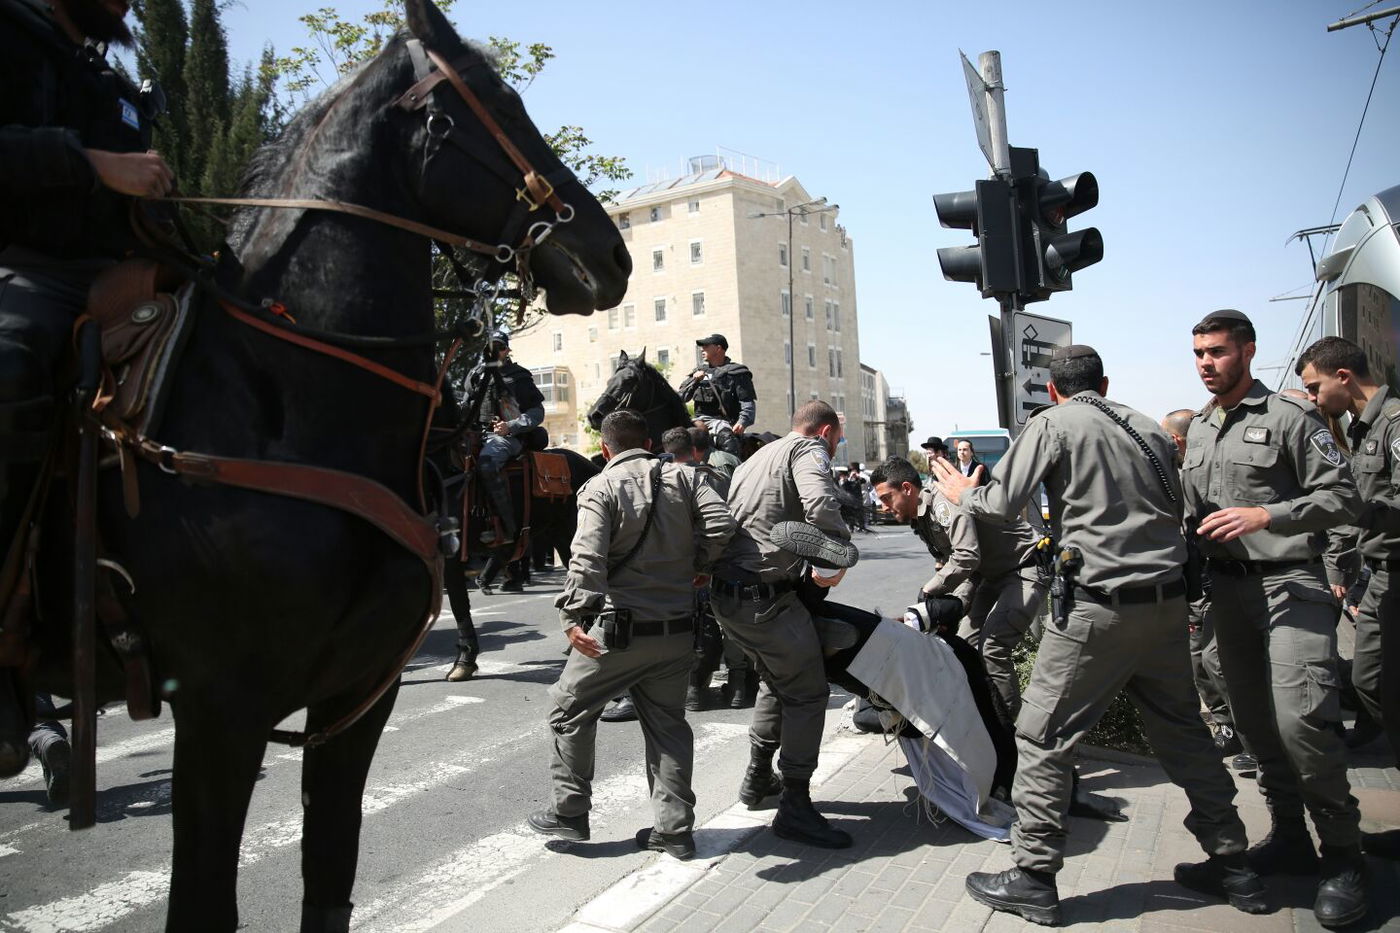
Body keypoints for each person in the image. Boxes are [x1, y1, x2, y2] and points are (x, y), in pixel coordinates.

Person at [934, 345, 1262, 927]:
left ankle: (1033, 876)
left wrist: (965, 494)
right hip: (1165, 609)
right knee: (1185, 734)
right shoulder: (1147, 427)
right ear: (1103, 383)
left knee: (1041, 735)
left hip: (1098, 611)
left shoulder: (1052, 424)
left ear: (1052, 390)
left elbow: (1003, 503)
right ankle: (1234, 862)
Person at [0, 0, 174, 776]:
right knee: (10, 373)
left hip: (116, 270)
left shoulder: (106, 73)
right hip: (25, 264)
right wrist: (92, 163)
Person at [1182, 311, 1367, 927]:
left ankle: (1343, 855)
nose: (1206, 363)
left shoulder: (1291, 418)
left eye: (1217, 352)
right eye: (1200, 354)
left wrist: (1270, 516)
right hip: (1227, 595)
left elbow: (1344, 497)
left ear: (1247, 351)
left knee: (1303, 724)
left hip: (1291, 585)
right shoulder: (1201, 428)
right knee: (1256, 727)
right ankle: (1290, 837)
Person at [529, 410, 735, 860]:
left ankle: (569, 811)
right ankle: (675, 832)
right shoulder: (686, 478)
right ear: (649, 441)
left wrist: (573, 617)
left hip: (617, 632)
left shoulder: (601, 486)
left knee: (567, 709)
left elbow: (585, 558)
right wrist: (700, 565)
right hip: (678, 629)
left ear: (606, 448)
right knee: (668, 727)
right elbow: (722, 526)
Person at [710, 400, 856, 848]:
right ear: (826, 432)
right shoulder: (808, 451)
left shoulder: (756, 457)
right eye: (837, 439)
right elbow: (821, 506)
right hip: (766, 598)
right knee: (809, 693)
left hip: (727, 597)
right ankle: (795, 804)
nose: (835, 447)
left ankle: (758, 780)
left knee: (777, 680)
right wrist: (837, 550)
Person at [1296, 338, 1400, 798]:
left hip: (1394, 570)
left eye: (1316, 387)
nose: (1315, 400)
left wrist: (1352, 508)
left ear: (1343, 377)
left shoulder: (1395, 423)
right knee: (1371, 680)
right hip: (1379, 574)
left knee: (1375, 679)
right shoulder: (1362, 429)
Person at [870, 456, 1043, 719]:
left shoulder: (942, 502)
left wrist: (929, 592)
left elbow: (966, 557)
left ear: (907, 488)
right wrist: (952, 606)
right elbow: (965, 570)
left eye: (886, 498)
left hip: (1024, 566)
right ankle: (980, 717)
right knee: (962, 645)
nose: (883, 507)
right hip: (990, 575)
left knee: (993, 646)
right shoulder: (921, 518)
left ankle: (1012, 734)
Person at [1161, 408, 1254, 769]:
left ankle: (1257, 743)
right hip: (1195, 585)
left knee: (1219, 663)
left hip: (1219, 582)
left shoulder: (1209, 475)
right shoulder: (1180, 475)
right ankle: (1228, 728)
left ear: (1174, 441)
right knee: (1200, 661)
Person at [661, 427, 753, 712]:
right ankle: (737, 686)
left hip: (682, 567)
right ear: (694, 449)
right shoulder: (718, 478)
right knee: (728, 624)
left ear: (666, 450)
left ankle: (693, 688)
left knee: (690, 625)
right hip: (723, 561)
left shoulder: (662, 482)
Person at [472, 332, 545, 546]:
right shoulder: (475, 375)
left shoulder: (519, 376)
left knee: (486, 464)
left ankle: (506, 527)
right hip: (476, 435)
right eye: (490, 346)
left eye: (500, 347)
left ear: (507, 350)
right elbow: (465, 406)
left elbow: (537, 412)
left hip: (506, 437)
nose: (495, 351)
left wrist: (510, 426)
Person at [677, 334, 756, 456]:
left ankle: (734, 472)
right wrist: (695, 381)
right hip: (697, 421)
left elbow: (747, 402)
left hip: (723, 422)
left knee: (727, 440)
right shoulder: (697, 372)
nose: (702, 349)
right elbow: (680, 398)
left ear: (718, 348)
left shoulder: (737, 372)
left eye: (706, 346)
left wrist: (742, 422)